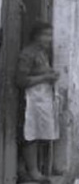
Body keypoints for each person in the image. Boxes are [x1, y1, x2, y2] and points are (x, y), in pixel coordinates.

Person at [16, 21, 59, 184]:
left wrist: (50, 73)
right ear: (36, 36)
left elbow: (38, 71)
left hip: (41, 99)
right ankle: (33, 171)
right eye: (46, 35)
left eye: (50, 35)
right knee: (30, 135)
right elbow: (20, 80)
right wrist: (45, 77)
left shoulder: (42, 52)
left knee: (39, 133)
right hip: (30, 100)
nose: (49, 39)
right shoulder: (28, 54)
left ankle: (24, 170)